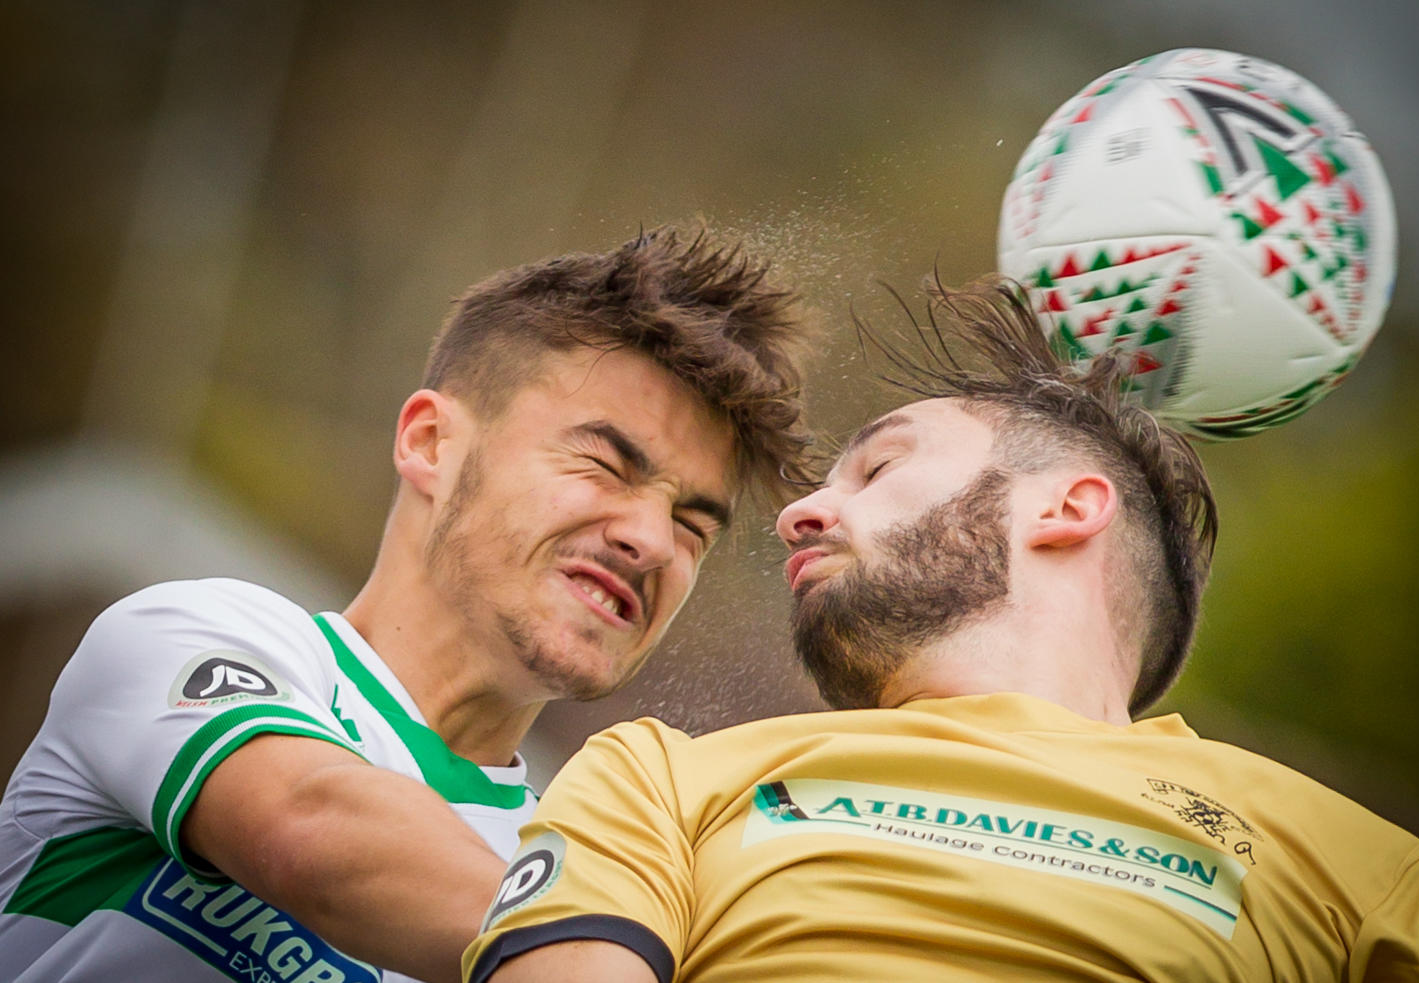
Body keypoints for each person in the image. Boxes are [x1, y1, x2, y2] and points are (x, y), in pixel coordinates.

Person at [463, 274, 1419, 983]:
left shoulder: (1364, 873)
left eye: (879, 465)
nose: (795, 514)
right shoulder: (660, 779)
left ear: (1064, 509)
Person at [0, 225, 817, 983]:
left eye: (691, 524)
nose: (648, 538)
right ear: (430, 442)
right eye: (605, 464)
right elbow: (309, 827)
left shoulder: (582, 855)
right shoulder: (189, 632)